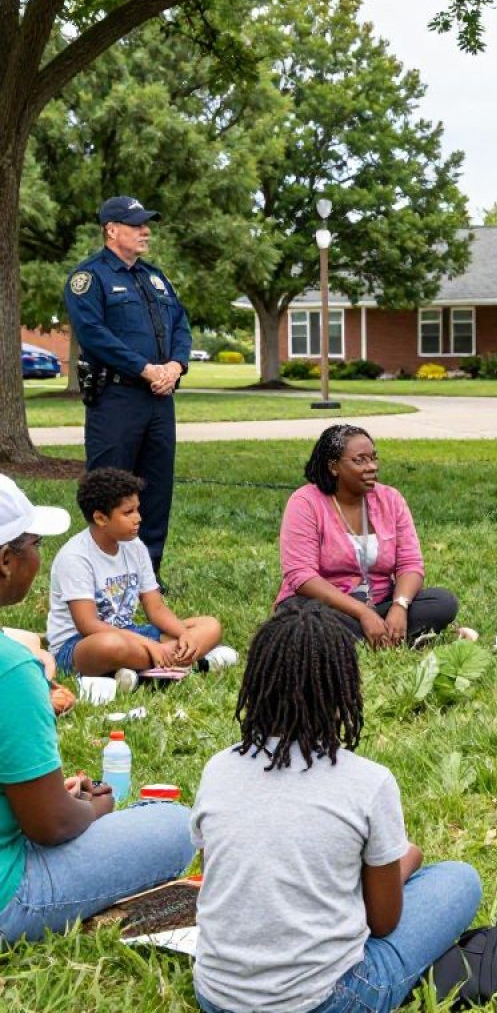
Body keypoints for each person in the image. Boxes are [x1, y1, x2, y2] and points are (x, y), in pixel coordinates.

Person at [191, 601, 482, 1013]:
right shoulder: (368, 782)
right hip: (326, 1000)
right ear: (343, 686)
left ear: (256, 682)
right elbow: (383, 922)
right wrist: (407, 860)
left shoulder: (218, 769)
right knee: (459, 879)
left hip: (216, 996)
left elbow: (217, 875)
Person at [0, 474, 194, 944]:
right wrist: (94, 807)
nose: (38, 555)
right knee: (176, 825)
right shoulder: (12, 668)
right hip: (11, 896)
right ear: (6, 560)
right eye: (34, 543)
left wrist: (48, 795)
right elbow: (52, 825)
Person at [64, 195, 192, 587]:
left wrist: (175, 365)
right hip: (116, 399)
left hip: (159, 399)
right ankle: (102, 575)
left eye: (145, 224)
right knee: (109, 485)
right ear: (111, 230)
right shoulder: (88, 278)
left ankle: (148, 575)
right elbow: (94, 335)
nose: (145, 230)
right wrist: (146, 368)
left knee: (156, 489)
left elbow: (180, 324)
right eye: (136, 225)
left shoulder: (154, 276)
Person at [48, 468, 235, 690]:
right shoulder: (75, 557)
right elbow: (88, 625)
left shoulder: (134, 546)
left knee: (209, 625)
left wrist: (184, 635)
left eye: (137, 509)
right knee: (110, 646)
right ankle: (186, 662)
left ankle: (145, 669)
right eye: (128, 512)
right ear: (100, 518)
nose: (138, 518)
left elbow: (155, 608)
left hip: (130, 634)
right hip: (80, 645)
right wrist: (147, 644)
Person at [276, 424, 459, 647]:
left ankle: (365, 636)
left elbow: (410, 564)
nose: (372, 466)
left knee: (443, 602)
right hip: (326, 605)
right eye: (359, 460)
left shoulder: (390, 499)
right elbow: (301, 576)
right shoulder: (305, 502)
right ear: (334, 467)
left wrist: (399, 606)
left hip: (381, 603)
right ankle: (377, 636)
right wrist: (362, 613)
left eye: (373, 458)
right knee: (302, 618)